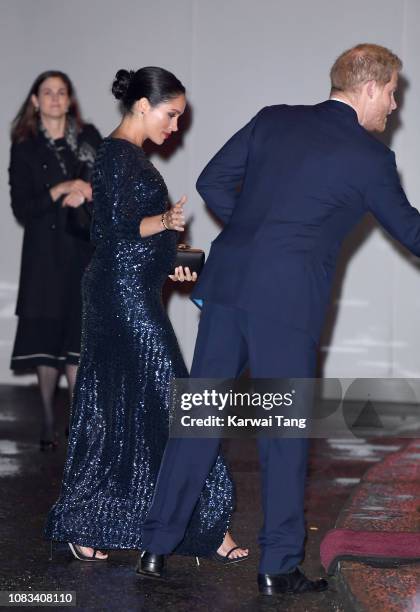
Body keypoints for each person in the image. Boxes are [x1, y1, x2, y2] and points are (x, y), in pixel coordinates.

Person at [140, 44, 420, 595]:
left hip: (227, 287)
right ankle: (277, 565)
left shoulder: (273, 120)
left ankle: (155, 545)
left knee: (197, 422)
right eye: (392, 93)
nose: (394, 106)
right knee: (283, 435)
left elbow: (214, 181)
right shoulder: (369, 158)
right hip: (286, 303)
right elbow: (411, 231)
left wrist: (255, 235)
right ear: (368, 88)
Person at [45, 67, 248, 564]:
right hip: (122, 299)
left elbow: (130, 239)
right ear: (142, 105)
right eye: (171, 114)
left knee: (126, 411)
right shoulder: (116, 154)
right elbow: (111, 229)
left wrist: (170, 260)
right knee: (173, 404)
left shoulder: (127, 156)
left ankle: (95, 523)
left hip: (129, 291)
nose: (175, 127)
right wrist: (167, 222)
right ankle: (206, 525)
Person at [9, 71, 102, 450]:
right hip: (44, 258)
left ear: (70, 99)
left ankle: (77, 422)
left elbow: (110, 184)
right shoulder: (25, 148)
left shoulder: (91, 139)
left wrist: (89, 192)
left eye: (61, 92)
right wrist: (61, 188)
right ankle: (48, 419)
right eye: (47, 92)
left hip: (82, 252)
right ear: (34, 101)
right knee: (46, 339)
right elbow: (22, 207)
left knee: (77, 340)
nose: (54, 98)